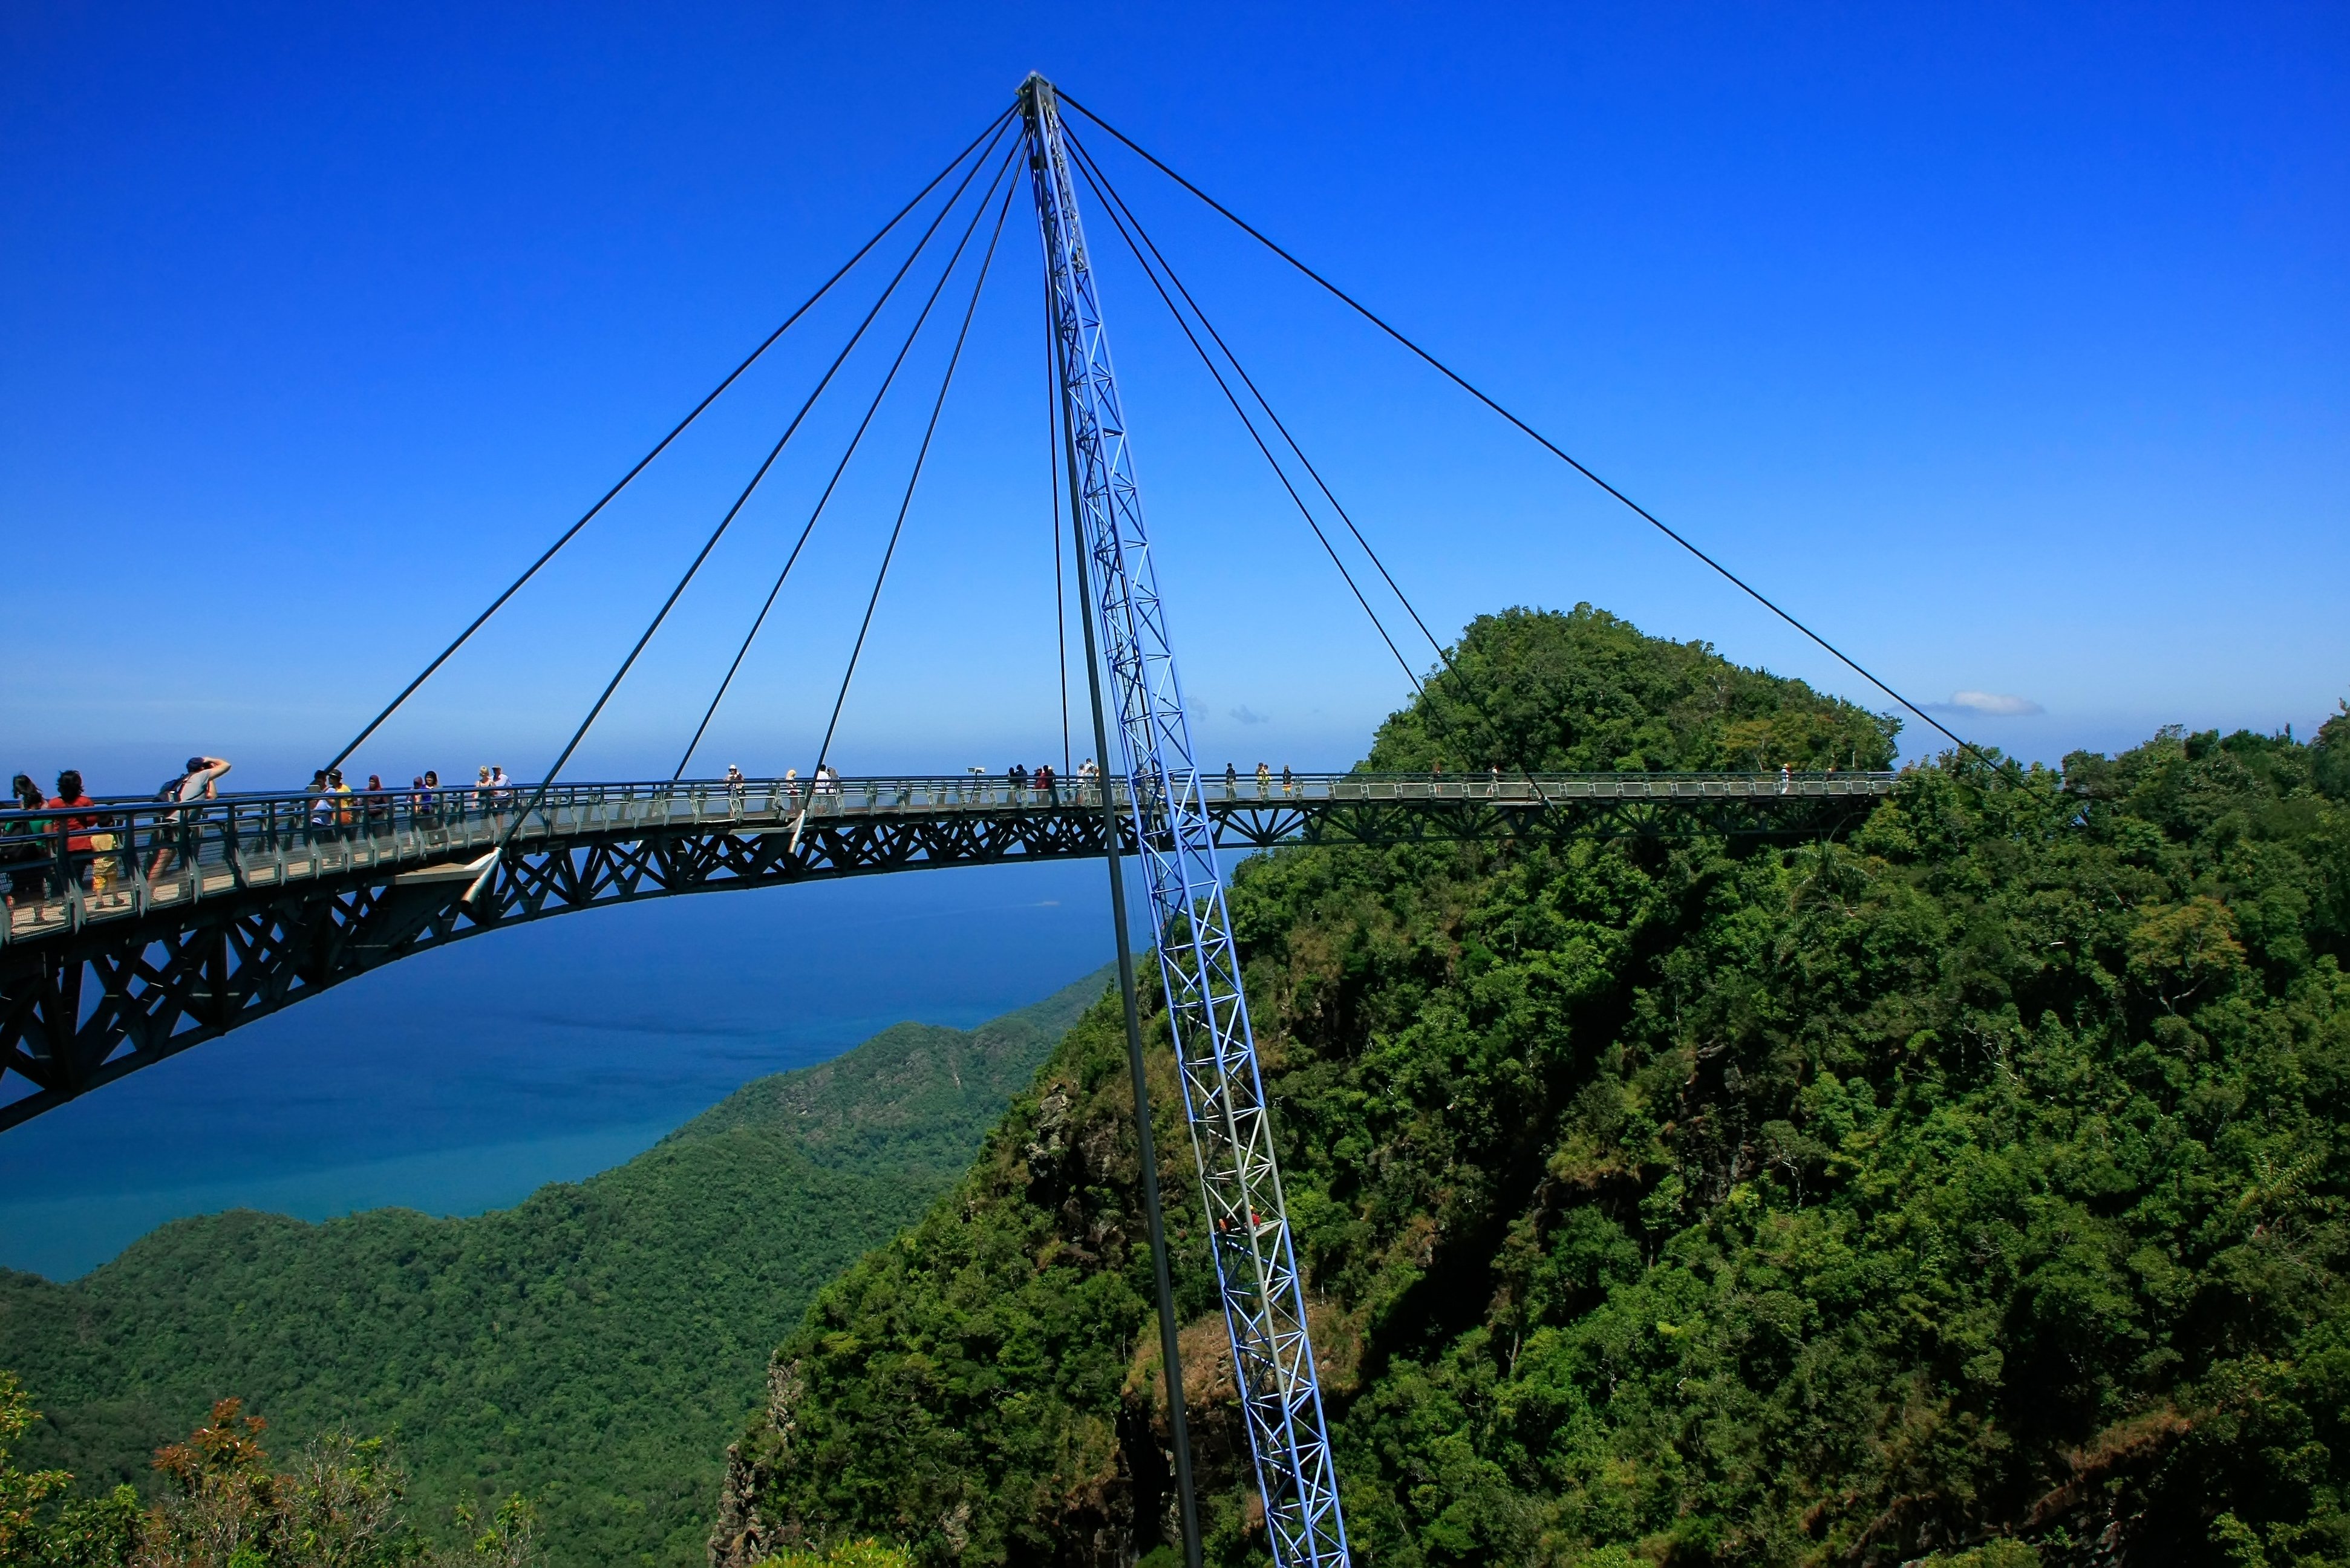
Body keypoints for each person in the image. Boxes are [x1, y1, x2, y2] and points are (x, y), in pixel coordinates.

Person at [149, 755, 232, 880]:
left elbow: (212, 796)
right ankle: (148, 893)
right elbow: (226, 765)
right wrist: (210, 760)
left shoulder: (186, 779)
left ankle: (176, 888)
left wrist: (209, 778)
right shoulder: (200, 777)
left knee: (172, 857)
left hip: (174, 821)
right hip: (177, 823)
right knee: (164, 859)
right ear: (203, 768)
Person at [45, 769, 103, 895]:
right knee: (77, 877)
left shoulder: (54, 803)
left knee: (64, 875)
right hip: (81, 844)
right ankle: (76, 901)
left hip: (62, 845)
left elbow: (48, 821)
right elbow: (92, 821)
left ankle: (65, 901)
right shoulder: (85, 802)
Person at [4, 773, 49, 906]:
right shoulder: (42, 804)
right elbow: (47, 831)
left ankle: (8, 916)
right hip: (37, 851)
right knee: (37, 884)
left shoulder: (21, 808)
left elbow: (8, 830)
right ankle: (39, 917)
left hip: (19, 853)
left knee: (18, 886)